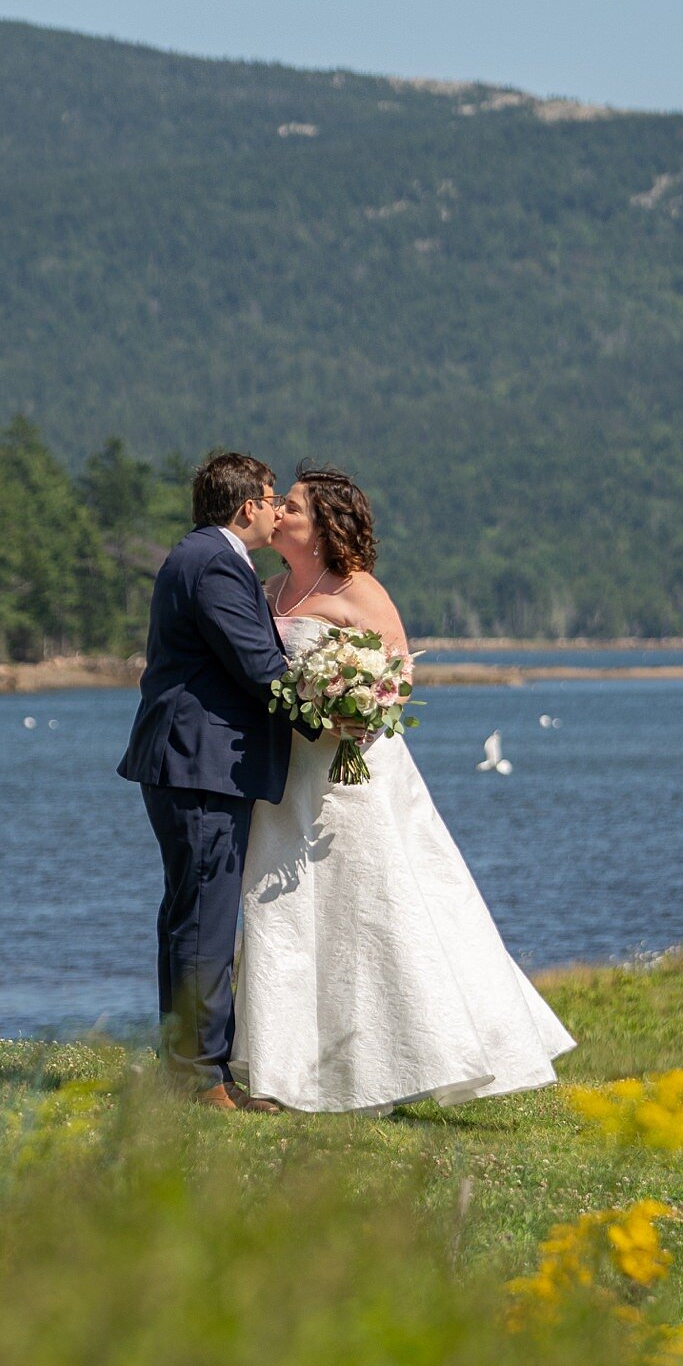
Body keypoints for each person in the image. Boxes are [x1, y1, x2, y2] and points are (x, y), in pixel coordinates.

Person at [232, 463, 574, 1114]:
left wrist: (352, 705)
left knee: (370, 910)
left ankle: (399, 1060)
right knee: (282, 913)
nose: (280, 513)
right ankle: (283, 1070)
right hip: (285, 776)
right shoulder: (267, 588)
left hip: (352, 771)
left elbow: (396, 679)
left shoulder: (359, 590)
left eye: (294, 505)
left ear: (326, 525)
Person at [117, 451, 292, 1106]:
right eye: (272, 500)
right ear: (248, 506)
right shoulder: (216, 562)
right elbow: (255, 663)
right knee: (203, 922)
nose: (276, 512)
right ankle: (200, 1076)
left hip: (187, 759)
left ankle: (184, 1067)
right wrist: (329, 712)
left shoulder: (192, 555)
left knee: (187, 917)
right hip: (201, 763)